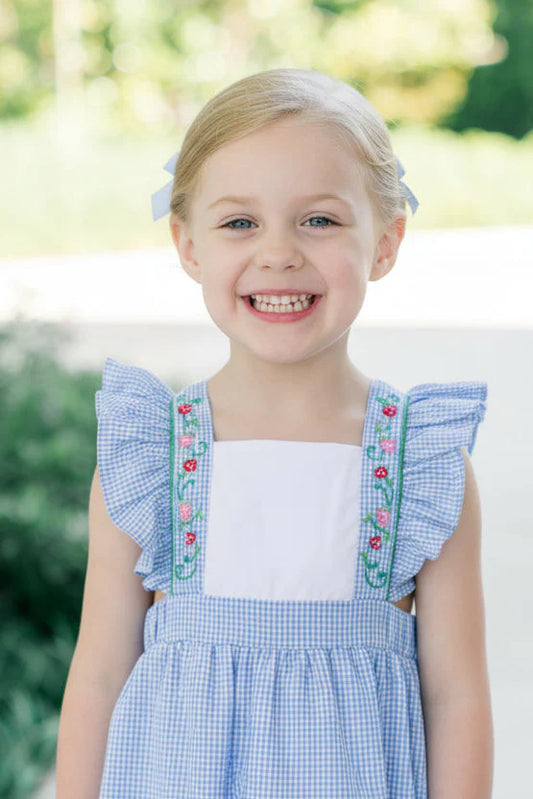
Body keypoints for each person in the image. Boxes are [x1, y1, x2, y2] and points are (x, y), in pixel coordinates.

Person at [56, 68, 494, 798]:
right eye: (239, 222)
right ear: (188, 245)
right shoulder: (153, 458)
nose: (279, 252)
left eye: (318, 219)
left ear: (385, 241)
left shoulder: (417, 463)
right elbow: (99, 674)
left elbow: (456, 697)